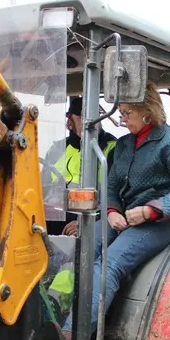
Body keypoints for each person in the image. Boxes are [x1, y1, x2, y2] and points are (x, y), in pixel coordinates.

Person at [61, 82, 170, 339]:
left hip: (160, 220)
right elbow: (111, 186)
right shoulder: (124, 145)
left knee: (110, 263)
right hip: (123, 216)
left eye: (127, 113)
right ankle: (62, 318)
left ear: (148, 110)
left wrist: (149, 211)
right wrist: (112, 211)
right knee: (82, 251)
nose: (123, 120)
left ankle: (74, 337)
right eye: (121, 113)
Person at [43, 96, 117, 236]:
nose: (88, 123)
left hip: (94, 218)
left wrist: (86, 221)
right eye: (81, 118)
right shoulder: (57, 149)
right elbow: (41, 190)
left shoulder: (112, 149)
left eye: (89, 117)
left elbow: (115, 196)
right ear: (69, 122)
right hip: (55, 216)